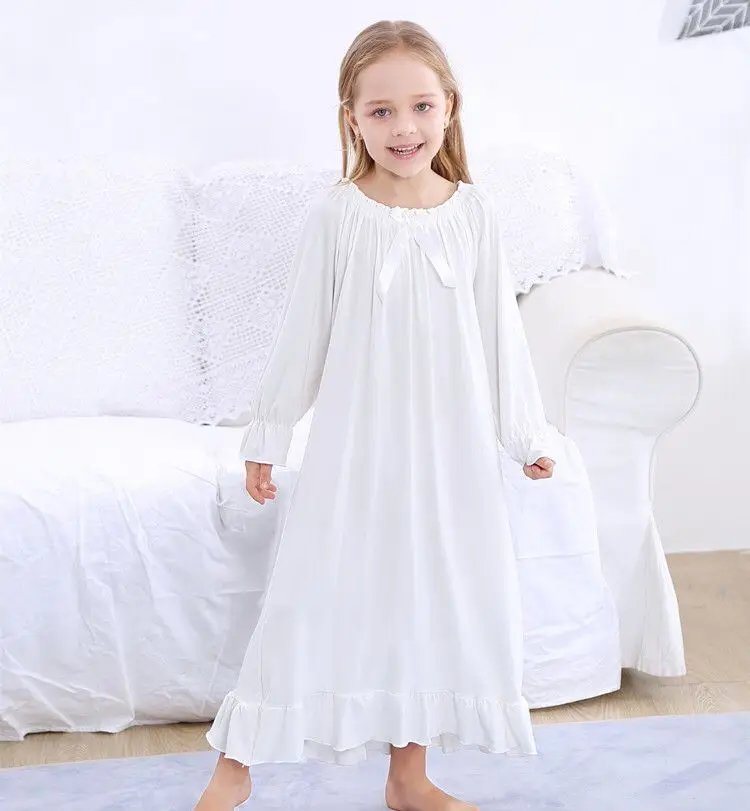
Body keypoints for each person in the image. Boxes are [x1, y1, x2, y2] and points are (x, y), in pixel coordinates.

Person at [196, 19, 559, 811]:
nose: (405, 127)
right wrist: (268, 434)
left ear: (450, 107)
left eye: (421, 106)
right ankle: (234, 766)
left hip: (451, 452)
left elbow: (501, 334)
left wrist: (526, 435)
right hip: (358, 447)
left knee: (423, 603)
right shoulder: (339, 216)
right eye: (382, 110)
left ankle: (408, 777)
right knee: (308, 594)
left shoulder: (475, 214)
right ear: (352, 118)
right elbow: (302, 337)